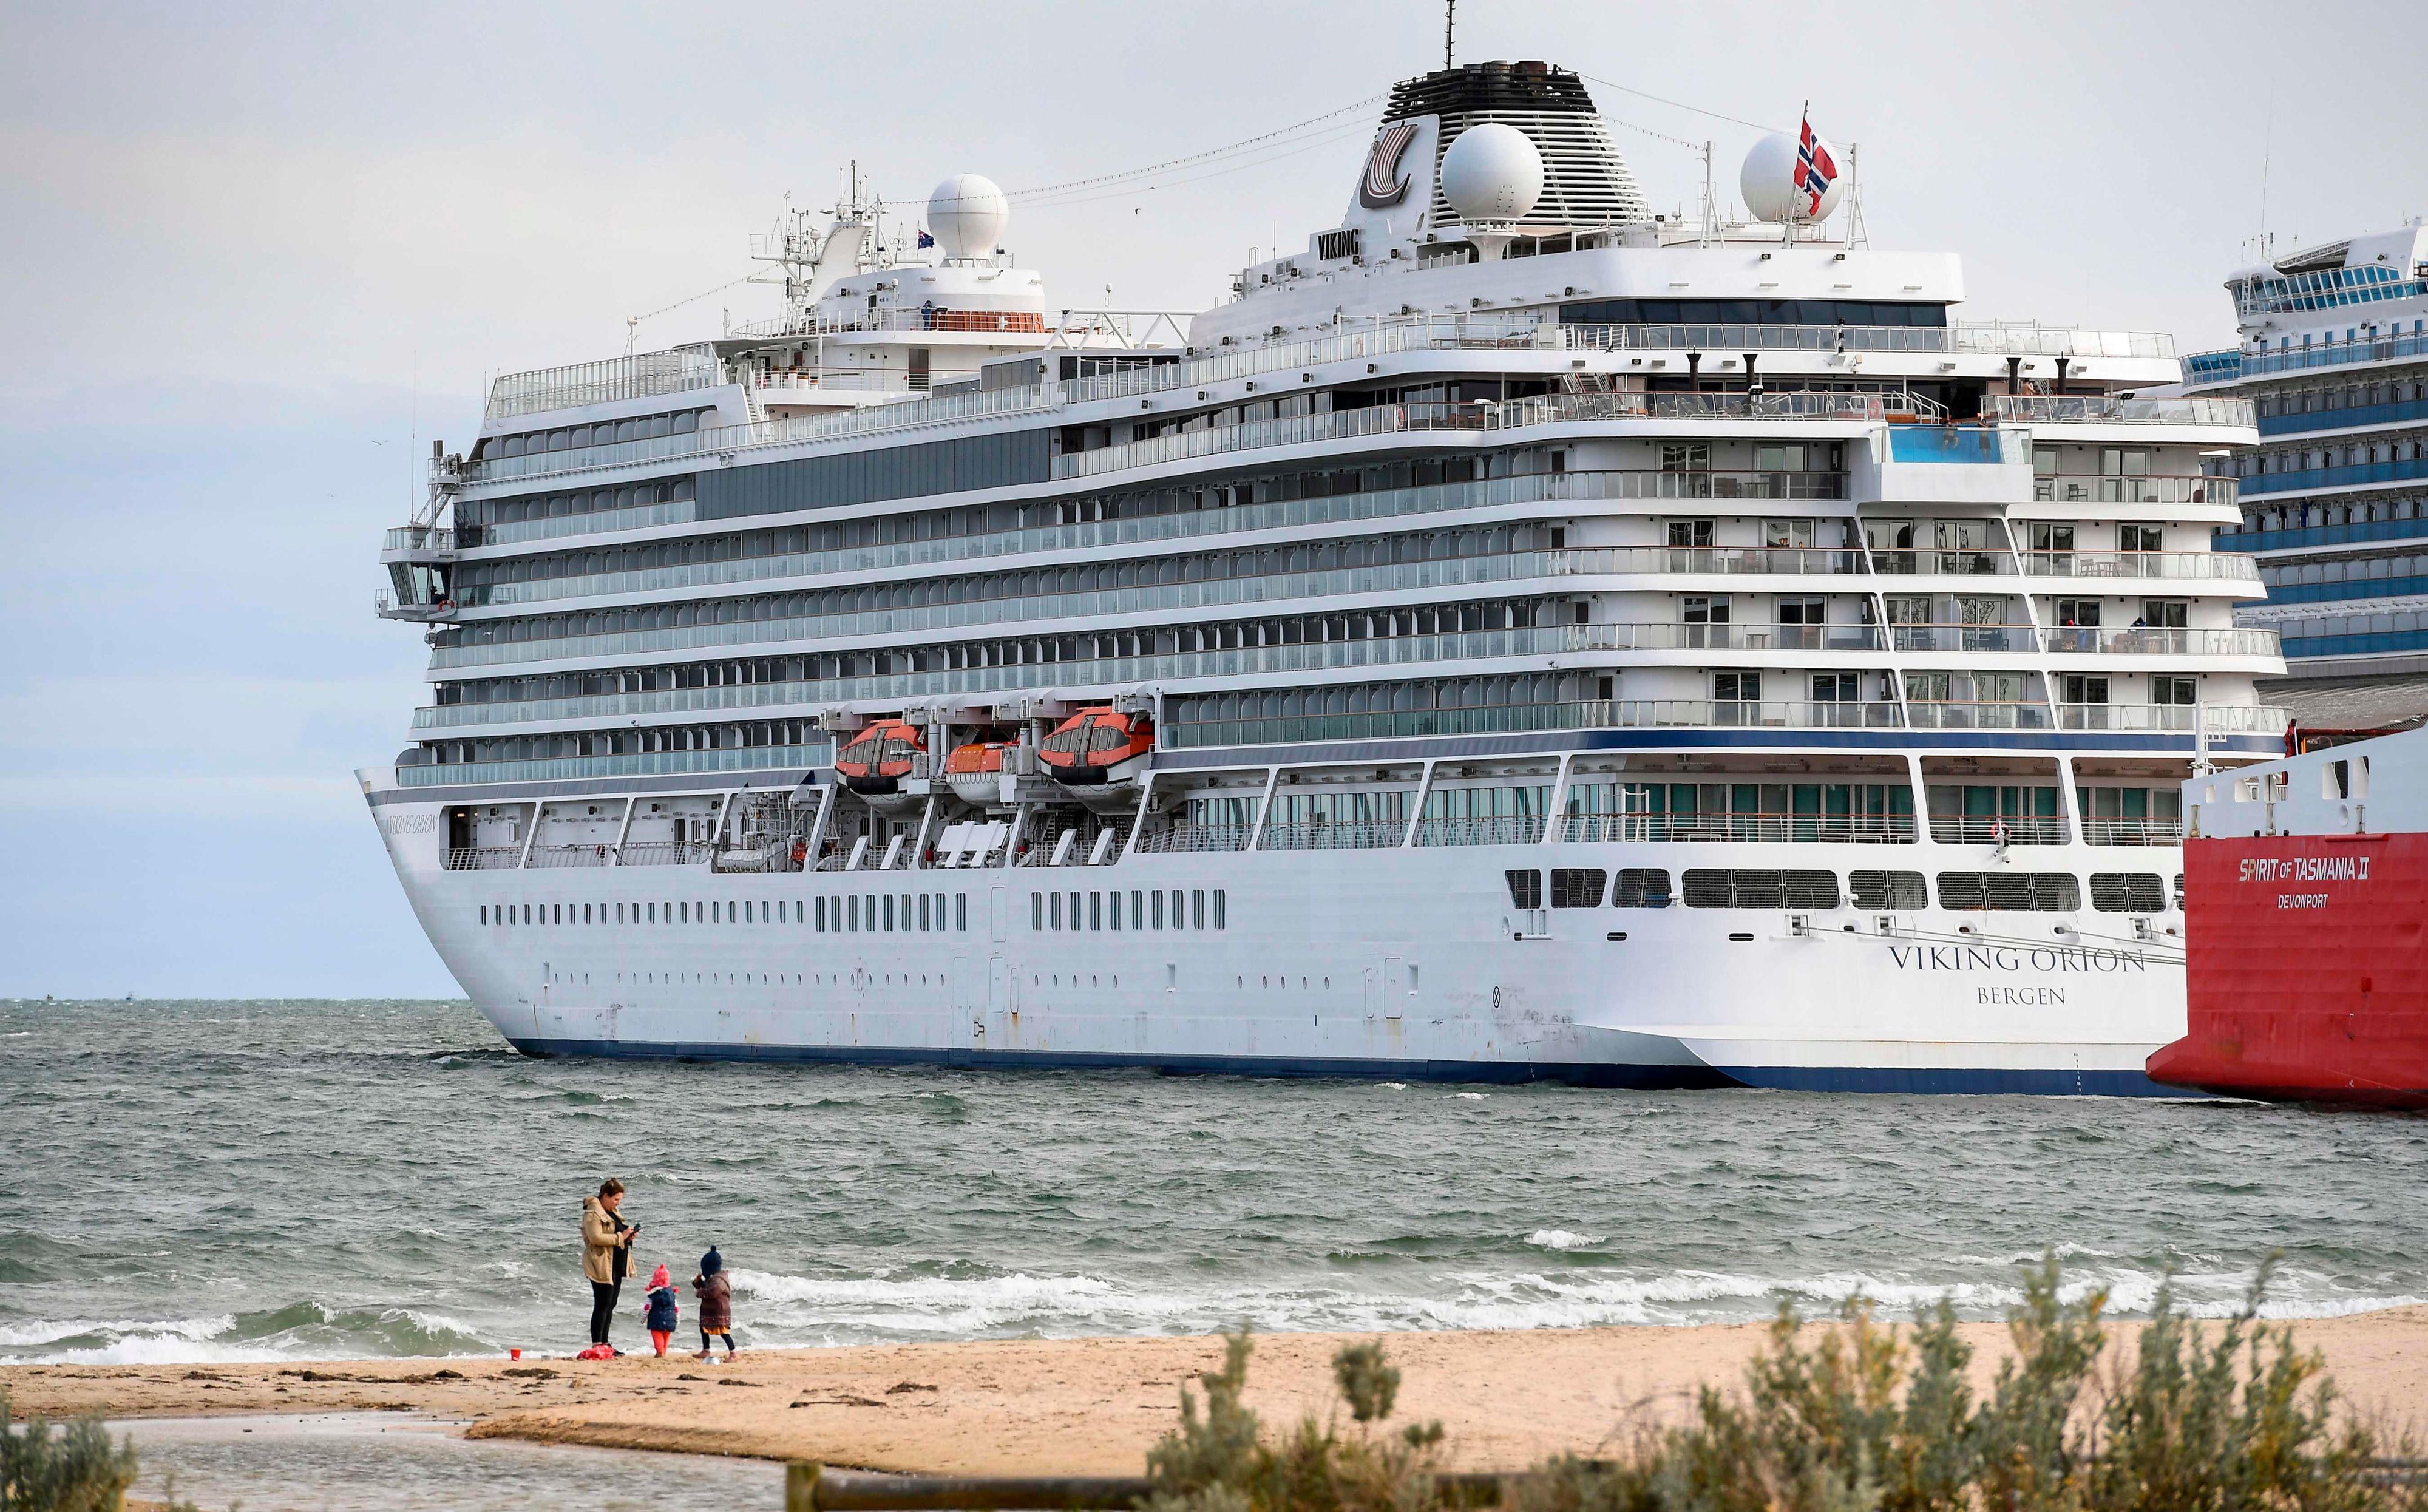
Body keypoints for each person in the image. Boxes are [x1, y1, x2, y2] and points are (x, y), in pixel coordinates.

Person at [582, 1178, 639, 1352]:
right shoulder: (593, 1213)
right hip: (601, 1263)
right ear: (605, 1196)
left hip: (615, 1263)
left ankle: (605, 1344)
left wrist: (629, 1237)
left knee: (611, 1303)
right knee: (602, 1303)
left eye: (620, 1200)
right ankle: (597, 1345)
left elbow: (617, 1232)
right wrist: (620, 1237)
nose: (618, 1203)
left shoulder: (612, 1211)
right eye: (616, 1199)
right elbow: (595, 1238)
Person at [694, 1246, 737, 1362]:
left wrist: (700, 1292)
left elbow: (713, 1292)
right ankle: (706, 1350)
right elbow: (706, 1287)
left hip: (719, 1311)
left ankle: (733, 1353)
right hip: (710, 1310)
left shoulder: (720, 1280)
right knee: (703, 1328)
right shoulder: (713, 1278)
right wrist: (699, 1283)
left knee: (723, 1332)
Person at [643, 1263, 680, 1357]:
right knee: (666, 1336)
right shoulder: (672, 1294)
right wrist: (677, 1319)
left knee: (657, 1334)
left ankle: (660, 1351)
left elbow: (647, 1308)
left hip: (656, 1320)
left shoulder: (652, 1294)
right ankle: (664, 1351)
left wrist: (643, 1319)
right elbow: (676, 1308)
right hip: (670, 1320)